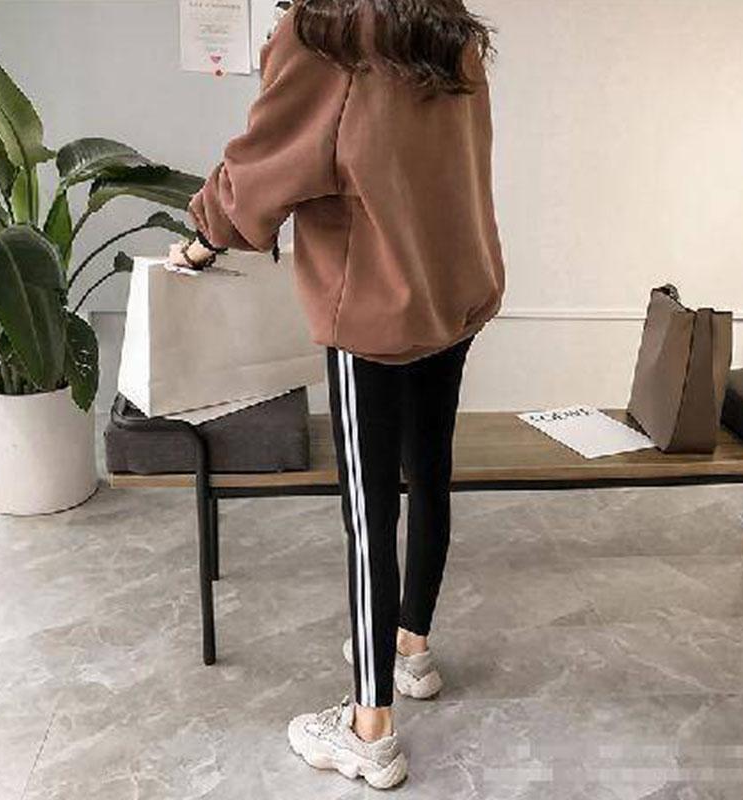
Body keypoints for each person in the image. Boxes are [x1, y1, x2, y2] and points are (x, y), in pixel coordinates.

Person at [173, 0, 505, 789]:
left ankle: (369, 729)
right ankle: (412, 650)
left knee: (368, 513)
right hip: (455, 286)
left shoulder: (324, 31)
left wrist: (202, 239)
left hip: (374, 308)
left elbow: (264, 168)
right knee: (430, 475)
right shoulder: (445, 23)